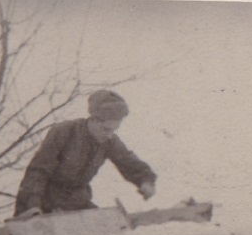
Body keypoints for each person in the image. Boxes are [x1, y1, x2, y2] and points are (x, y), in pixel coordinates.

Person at [13, 89, 157, 218]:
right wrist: (32, 206)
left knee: (105, 229)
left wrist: (145, 180)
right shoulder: (65, 132)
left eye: (113, 130)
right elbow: (38, 171)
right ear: (93, 120)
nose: (109, 135)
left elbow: (127, 160)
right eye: (106, 129)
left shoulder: (109, 141)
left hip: (76, 201)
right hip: (43, 201)